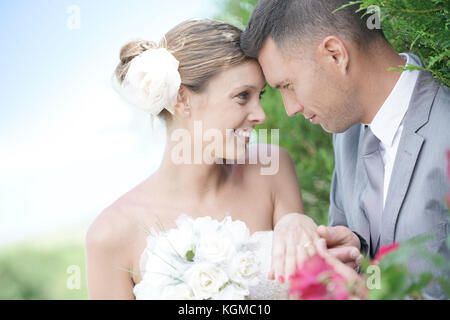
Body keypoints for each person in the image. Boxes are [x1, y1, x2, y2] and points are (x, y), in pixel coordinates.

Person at [85, 19, 320, 300]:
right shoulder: (110, 234)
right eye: (242, 96)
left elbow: (308, 290)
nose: (261, 115)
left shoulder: (273, 169)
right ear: (183, 99)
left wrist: (297, 222)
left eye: (260, 96)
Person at [241, 0, 450, 299]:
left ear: (335, 54)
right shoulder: (345, 135)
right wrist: (356, 249)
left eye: (288, 85)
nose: (290, 108)